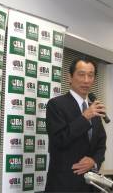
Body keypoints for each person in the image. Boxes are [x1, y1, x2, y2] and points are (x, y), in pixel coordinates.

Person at [45, 58, 107, 192]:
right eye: (81, 74)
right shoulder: (56, 104)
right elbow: (59, 140)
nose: (86, 80)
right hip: (64, 185)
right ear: (70, 77)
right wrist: (85, 117)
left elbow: (101, 144)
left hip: (90, 185)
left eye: (90, 75)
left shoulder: (94, 108)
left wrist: (93, 161)